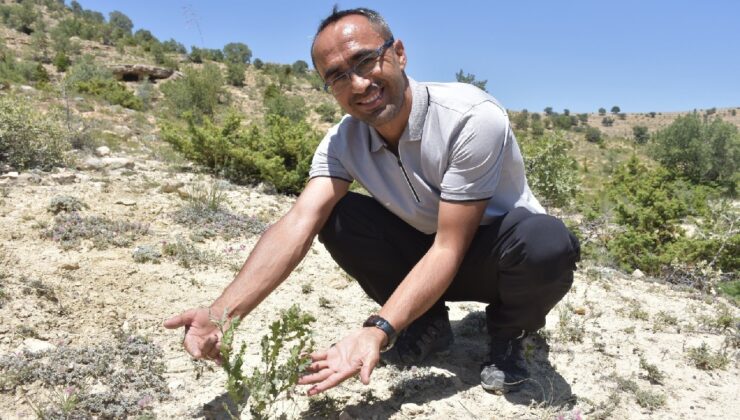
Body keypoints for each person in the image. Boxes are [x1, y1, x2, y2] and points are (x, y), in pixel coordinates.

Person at [164, 6, 580, 396]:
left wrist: (378, 329)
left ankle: (509, 335)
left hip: (497, 256)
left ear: (398, 53)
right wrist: (222, 314)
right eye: (338, 76)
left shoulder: (470, 117)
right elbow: (297, 224)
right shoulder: (342, 142)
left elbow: (451, 246)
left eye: (365, 61)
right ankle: (428, 325)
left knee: (547, 241)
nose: (358, 84)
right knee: (337, 215)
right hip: (428, 251)